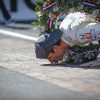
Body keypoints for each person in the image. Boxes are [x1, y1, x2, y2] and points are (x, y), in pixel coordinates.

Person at [35, 12, 100, 63]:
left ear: (55, 48)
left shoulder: (77, 36)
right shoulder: (62, 26)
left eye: (50, 57)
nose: (51, 61)